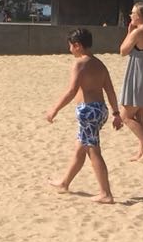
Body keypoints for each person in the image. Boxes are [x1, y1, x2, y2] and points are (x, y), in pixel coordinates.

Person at [44, 28, 122, 204]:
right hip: (100, 110)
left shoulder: (80, 64)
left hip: (88, 111)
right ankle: (64, 183)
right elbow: (109, 90)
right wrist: (116, 113)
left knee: (93, 151)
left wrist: (54, 109)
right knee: (81, 149)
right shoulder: (100, 64)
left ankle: (105, 193)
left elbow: (72, 91)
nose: (70, 49)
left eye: (70, 46)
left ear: (78, 45)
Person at [117, 2, 143, 160]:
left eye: (133, 13)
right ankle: (142, 151)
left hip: (139, 77)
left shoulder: (138, 32)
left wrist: (129, 32)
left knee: (125, 116)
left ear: (139, 17)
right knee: (141, 118)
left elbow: (122, 51)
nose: (130, 15)